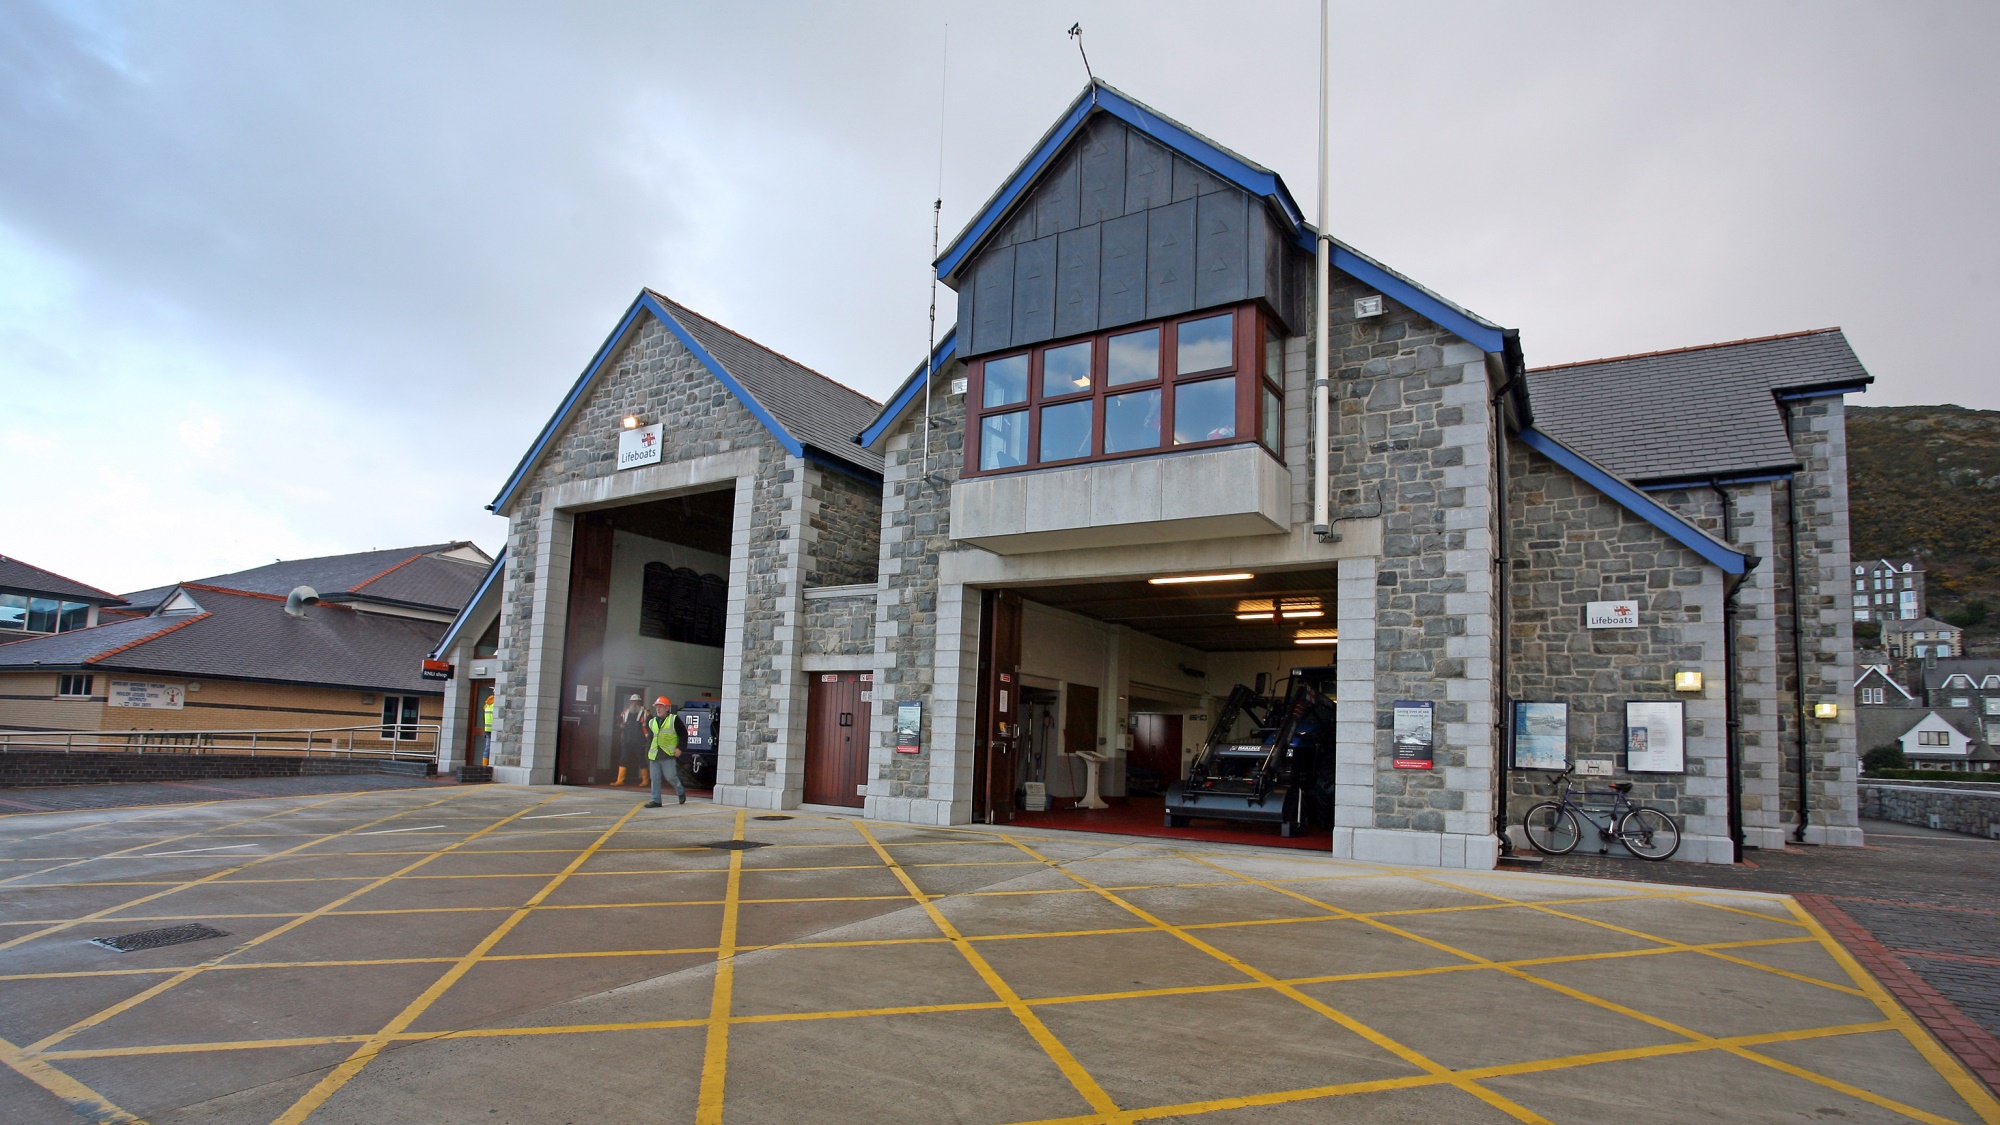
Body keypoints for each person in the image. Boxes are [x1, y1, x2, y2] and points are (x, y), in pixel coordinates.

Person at [644, 695, 687, 807]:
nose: (658, 709)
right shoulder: (652, 721)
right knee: (655, 779)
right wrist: (647, 752)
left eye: (661, 707)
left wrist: (680, 748)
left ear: (667, 708)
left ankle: (680, 791)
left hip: (667, 754)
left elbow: (683, 735)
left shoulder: (674, 720)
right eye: (657, 707)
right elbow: (650, 738)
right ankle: (656, 800)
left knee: (671, 777)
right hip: (654, 755)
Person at [614, 695, 649, 786]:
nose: (634, 703)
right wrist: (620, 725)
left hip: (639, 740)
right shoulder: (625, 712)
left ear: (640, 702)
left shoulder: (646, 713)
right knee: (623, 759)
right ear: (630, 702)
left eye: (636, 701)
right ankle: (620, 780)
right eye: (633, 701)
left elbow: (651, 723)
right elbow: (618, 720)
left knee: (641, 759)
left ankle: (645, 780)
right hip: (627, 740)